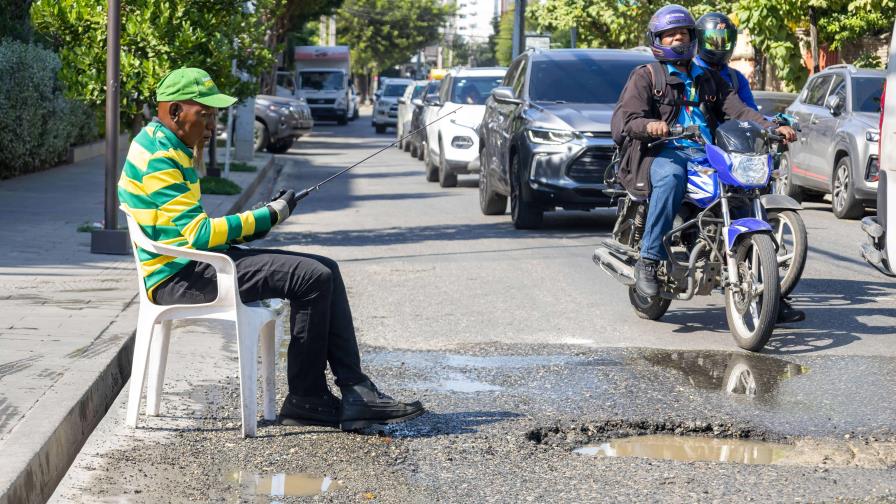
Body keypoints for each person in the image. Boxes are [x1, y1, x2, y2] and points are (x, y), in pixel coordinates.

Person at [117, 68, 425, 431]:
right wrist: (267, 216)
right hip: (181, 277)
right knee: (312, 277)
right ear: (174, 112)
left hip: (193, 266)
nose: (212, 125)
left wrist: (262, 218)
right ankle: (308, 399)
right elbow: (198, 236)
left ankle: (353, 390)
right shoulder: (160, 157)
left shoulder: (166, 144)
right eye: (205, 114)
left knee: (325, 268)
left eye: (215, 116)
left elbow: (191, 234)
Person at [611, 5, 797, 311]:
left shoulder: (710, 79)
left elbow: (740, 111)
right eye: (669, 35)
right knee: (671, 179)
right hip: (663, 152)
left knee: (742, 189)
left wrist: (772, 128)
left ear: (692, 37)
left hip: (707, 154)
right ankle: (649, 259)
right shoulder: (645, 76)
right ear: (657, 39)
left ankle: (769, 293)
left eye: (681, 33)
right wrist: (651, 126)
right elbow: (625, 120)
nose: (676, 39)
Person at [692, 12, 806, 323]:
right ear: (698, 40)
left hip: (735, 154)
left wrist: (772, 127)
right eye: (712, 39)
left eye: (724, 41)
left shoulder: (734, 79)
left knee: (753, 213)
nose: (718, 46)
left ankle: (771, 297)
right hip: (698, 152)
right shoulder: (690, 72)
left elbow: (746, 113)